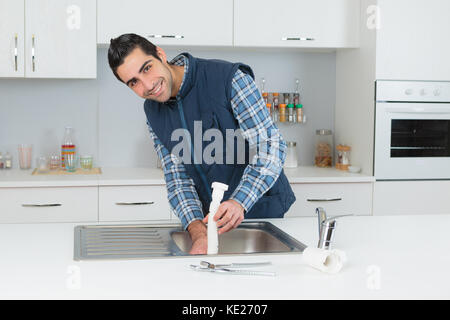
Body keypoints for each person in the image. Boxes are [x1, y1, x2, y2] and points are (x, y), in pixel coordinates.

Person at [107, 33, 296, 254]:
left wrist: (239, 202)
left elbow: (270, 146)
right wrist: (197, 231)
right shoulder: (153, 112)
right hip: (211, 223)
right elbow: (176, 178)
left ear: (160, 54)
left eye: (147, 68)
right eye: (133, 82)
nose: (147, 85)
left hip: (263, 213)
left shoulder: (229, 79)